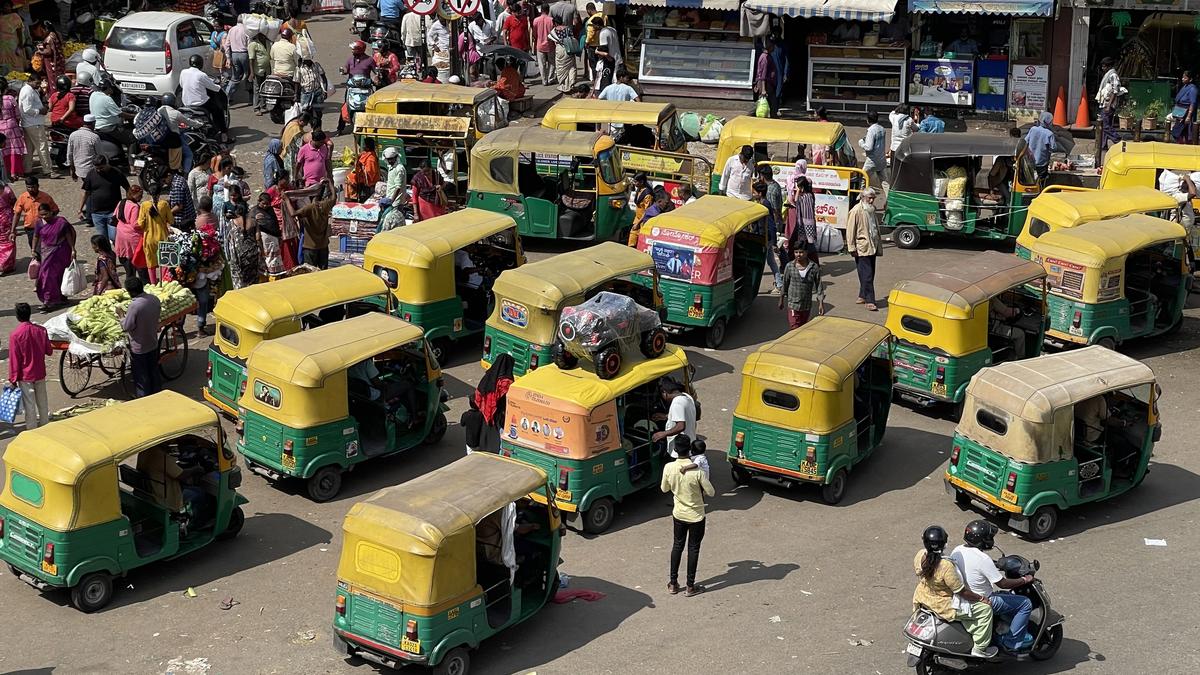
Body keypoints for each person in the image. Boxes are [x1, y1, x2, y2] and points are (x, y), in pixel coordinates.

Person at [913, 526, 997, 659]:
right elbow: (961, 591)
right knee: (985, 610)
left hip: (922, 596)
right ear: (945, 544)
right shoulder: (945, 566)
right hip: (942, 605)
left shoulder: (919, 555)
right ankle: (980, 649)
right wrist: (981, 598)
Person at [951, 520, 1035, 652]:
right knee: (1025, 603)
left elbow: (973, 566)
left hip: (961, 597)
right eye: (990, 537)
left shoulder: (958, 550)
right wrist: (1024, 579)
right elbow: (1003, 583)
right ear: (983, 539)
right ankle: (1011, 642)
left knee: (1006, 597)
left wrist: (995, 564)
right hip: (983, 600)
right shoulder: (983, 559)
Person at [660, 437, 714, 597]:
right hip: (697, 516)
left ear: (675, 450)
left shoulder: (669, 467)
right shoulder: (697, 472)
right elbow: (711, 492)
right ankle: (690, 586)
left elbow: (664, 488)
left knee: (677, 545)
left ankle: (673, 583)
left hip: (679, 514)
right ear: (689, 450)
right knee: (693, 549)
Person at [7, 302, 52, 429]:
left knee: (29, 405)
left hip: (25, 376)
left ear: (17, 316)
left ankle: (32, 429)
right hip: (40, 372)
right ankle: (45, 426)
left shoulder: (15, 335)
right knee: (43, 402)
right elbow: (49, 351)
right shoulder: (41, 331)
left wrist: (13, 379)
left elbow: (15, 360)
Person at [119, 276, 163, 397]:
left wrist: (121, 316)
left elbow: (127, 326)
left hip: (139, 347)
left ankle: (144, 402)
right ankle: (158, 396)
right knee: (153, 372)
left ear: (131, 292)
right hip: (153, 342)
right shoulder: (154, 299)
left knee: (142, 378)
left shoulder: (135, 305)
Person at [32, 201, 76, 311]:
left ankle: (61, 298)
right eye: (41, 214)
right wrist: (33, 249)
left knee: (60, 275)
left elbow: (68, 234)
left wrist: (73, 249)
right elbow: (36, 236)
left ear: (51, 212)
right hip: (46, 253)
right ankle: (47, 300)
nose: (44, 216)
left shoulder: (61, 222)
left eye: (46, 214)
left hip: (61, 252)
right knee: (45, 276)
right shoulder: (39, 223)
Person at [846, 187, 882, 311]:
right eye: (869, 198)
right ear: (863, 198)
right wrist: (851, 247)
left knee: (869, 273)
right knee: (867, 274)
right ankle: (870, 300)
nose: (871, 200)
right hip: (862, 247)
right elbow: (850, 231)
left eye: (873, 198)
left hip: (872, 246)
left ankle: (862, 295)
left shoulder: (871, 210)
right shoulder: (856, 211)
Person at [80, 155, 128, 241]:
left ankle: (119, 252)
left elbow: (127, 189)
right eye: (96, 168)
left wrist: (128, 205)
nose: (98, 170)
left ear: (107, 164)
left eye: (101, 168)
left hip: (113, 212)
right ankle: (108, 254)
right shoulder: (91, 174)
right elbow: (86, 193)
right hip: (96, 213)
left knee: (114, 237)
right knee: (103, 239)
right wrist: (80, 209)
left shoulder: (116, 173)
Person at [181, 54, 228, 141]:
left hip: (186, 102)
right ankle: (224, 134)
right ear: (201, 64)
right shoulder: (201, 75)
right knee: (218, 110)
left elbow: (181, 84)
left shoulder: (183, 72)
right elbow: (214, 87)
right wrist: (220, 86)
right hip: (201, 104)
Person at [474, 353, 515, 453]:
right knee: (497, 441)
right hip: (499, 417)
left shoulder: (488, 376)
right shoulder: (506, 382)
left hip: (486, 414)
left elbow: (478, 393)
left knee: (486, 438)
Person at [778, 245, 822, 329]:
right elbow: (785, 283)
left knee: (802, 329)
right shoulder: (789, 266)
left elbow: (819, 285)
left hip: (806, 305)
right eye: (796, 252)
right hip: (793, 304)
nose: (798, 254)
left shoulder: (814, 267)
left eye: (801, 252)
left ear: (806, 252)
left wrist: (820, 303)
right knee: (794, 327)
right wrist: (781, 299)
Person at [19, 73, 49, 178]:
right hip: (33, 123)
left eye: (39, 83)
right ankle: (48, 170)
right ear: (31, 81)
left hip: (30, 123)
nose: (38, 85)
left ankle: (27, 170)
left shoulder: (30, 90)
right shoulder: (28, 91)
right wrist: (40, 111)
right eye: (37, 83)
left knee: (29, 148)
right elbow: (27, 109)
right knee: (42, 147)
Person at [652, 377, 696, 449]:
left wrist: (663, 434)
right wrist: (666, 416)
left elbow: (680, 426)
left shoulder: (676, 403)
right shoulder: (686, 396)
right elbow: (684, 414)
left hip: (680, 447)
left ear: (664, 392)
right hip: (689, 440)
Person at [138, 190, 171, 284]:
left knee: (151, 264)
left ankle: (153, 284)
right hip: (163, 237)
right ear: (159, 194)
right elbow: (171, 220)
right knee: (165, 263)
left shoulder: (144, 205)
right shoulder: (164, 204)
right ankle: (164, 283)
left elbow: (140, 224)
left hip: (149, 238)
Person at [113, 184, 145, 281]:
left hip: (121, 235)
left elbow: (115, 216)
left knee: (128, 270)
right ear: (134, 195)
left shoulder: (121, 202)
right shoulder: (135, 207)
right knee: (139, 266)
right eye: (140, 195)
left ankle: (130, 287)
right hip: (132, 238)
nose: (141, 197)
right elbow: (135, 224)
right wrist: (145, 223)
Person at [1096, 57, 1123, 153]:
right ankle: (1103, 145)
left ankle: (1118, 140)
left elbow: (1115, 91)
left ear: (1109, 66)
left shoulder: (1113, 75)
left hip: (1109, 104)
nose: (1103, 68)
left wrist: (1109, 105)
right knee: (1105, 124)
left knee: (1105, 125)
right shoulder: (1108, 75)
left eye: (1104, 66)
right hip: (1105, 103)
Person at [0, 77, 25, 179]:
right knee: (14, 150)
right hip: (12, 126)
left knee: (4, 150)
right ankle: (15, 172)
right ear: (6, 87)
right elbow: (18, 115)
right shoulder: (10, 98)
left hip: (0, 128)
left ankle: (7, 172)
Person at [65, 114, 100, 184]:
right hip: (91, 170)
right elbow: (100, 155)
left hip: (79, 170)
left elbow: (69, 154)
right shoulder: (94, 137)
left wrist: (72, 170)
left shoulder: (73, 135)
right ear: (94, 123)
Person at [255, 190, 283, 276]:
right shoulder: (254, 211)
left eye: (267, 203)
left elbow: (274, 223)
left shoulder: (270, 210)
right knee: (267, 258)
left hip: (274, 238)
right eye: (263, 203)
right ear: (259, 201)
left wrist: (279, 236)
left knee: (275, 258)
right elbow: (251, 224)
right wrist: (255, 219)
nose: (265, 205)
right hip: (264, 239)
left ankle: (276, 275)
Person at [1025, 111, 1057, 183]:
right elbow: (1054, 148)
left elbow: (1025, 141)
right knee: (1041, 181)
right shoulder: (1050, 134)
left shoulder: (1033, 129)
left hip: (1030, 160)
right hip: (1042, 162)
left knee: (1030, 180)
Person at [224, 20, 251, 104]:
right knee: (249, 75)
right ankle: (251, 98)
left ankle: (226, 96)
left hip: (235, 55)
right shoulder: (246, 29)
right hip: (244, 54)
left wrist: (228, 58)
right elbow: (249, 44)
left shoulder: (232, 30)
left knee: (235, 77)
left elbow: (226, 44)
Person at [859, 111, 887, 191]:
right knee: (884, 182)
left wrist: (861, 143)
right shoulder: (882, 129)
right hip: (881, 159)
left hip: (872, 160)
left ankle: (861, 198)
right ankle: (889, 200)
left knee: (864, 179)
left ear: (868, 120)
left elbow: (868, 147)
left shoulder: (871, 130)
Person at [549, 17, 577, 93]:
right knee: (571, 67)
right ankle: (571, 83)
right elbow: (572, 38)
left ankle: (564, 85)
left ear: (555, 23)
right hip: (569, 49)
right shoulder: (568, 29)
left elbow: (550, 39)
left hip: (560, 50)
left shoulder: (554, 31)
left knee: (561, 68)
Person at [34, 21, 65, 88]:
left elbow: (48, 52)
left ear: (45, 29)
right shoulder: (55, 34)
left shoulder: (48, 39)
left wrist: (39, 52)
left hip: (52, 63)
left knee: (53, 80)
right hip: (59, 61)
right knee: (59, 77)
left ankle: (54, 92)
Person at [248, 30, 272, 114]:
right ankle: (256, 108)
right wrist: (252, 72)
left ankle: (263, 105)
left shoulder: (268, 43)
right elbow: (251, 60)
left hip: (266, 69)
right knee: (257, 88)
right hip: (257, 70)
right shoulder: (253, 44)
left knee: (265, 88)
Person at [1171, 70, 1197, 144]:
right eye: (1183, 77)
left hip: (1186, 114)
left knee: (1183, 132)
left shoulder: (1192, 89)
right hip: (1180, 112)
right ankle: (1180, 144)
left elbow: (1192, 103)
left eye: (1185, 78)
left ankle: (1185, 145)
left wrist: (1188, 116)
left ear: (1190, 79)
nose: (1183, 79)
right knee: (1179, 132)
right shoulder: (1185, 87)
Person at [0, 0, 26, 74]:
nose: (6, 8)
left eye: (8, 6)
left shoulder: (15, 16)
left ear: (11, 7)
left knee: (15, 61)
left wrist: (20, 43)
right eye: (4, 6)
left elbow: (19, 31)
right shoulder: (0, 18)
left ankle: (19, 77)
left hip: (13, 44)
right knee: (4, 63)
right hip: (3, 46)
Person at [532, 3, 555, 85]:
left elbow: (534, 34)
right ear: (548, 10)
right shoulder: (552, 20)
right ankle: (550, 78)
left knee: (542, 64)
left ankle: (544, 80)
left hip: (540, 44)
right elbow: (554, 33)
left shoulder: (536, 20)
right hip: (550, 44)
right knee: (551, 62)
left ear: (541, 10)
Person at [755, 38, 778, 118]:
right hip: (766, 85)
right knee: (772, 104)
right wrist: (764, 89)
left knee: (769, 105)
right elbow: (763, 75)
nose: (774, 48)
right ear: (770, 46)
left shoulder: (767, 56)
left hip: (768, 85)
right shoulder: (765, 58)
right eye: (773, 46)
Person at [0, 174, 14, 275]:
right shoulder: (7, 190)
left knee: (8, 240)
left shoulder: (7, 190)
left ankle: (5, 265)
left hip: (6, 220)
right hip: (6, 217)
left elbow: (15, 203)